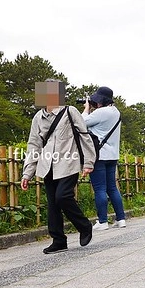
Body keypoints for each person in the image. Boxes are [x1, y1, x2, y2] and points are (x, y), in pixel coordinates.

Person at [21, 80, 96, 254]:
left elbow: (84, 137)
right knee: (53, 203)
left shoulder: (71, 112)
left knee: (63, 197)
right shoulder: (38, 118)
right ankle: (59, 240)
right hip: (47, 165)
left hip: (69, 162)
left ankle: (84, 226)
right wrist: (27, 173)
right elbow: (34, 145)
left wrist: (88, 162)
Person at [81, 86, 126, 231]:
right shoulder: (115, 112)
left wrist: (87, 108)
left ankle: (102, 221)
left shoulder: (101, 112)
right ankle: (121, 219)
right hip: (113, 155)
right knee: (112, 188)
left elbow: (81, 122)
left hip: (99, 155)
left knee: (99, 188)